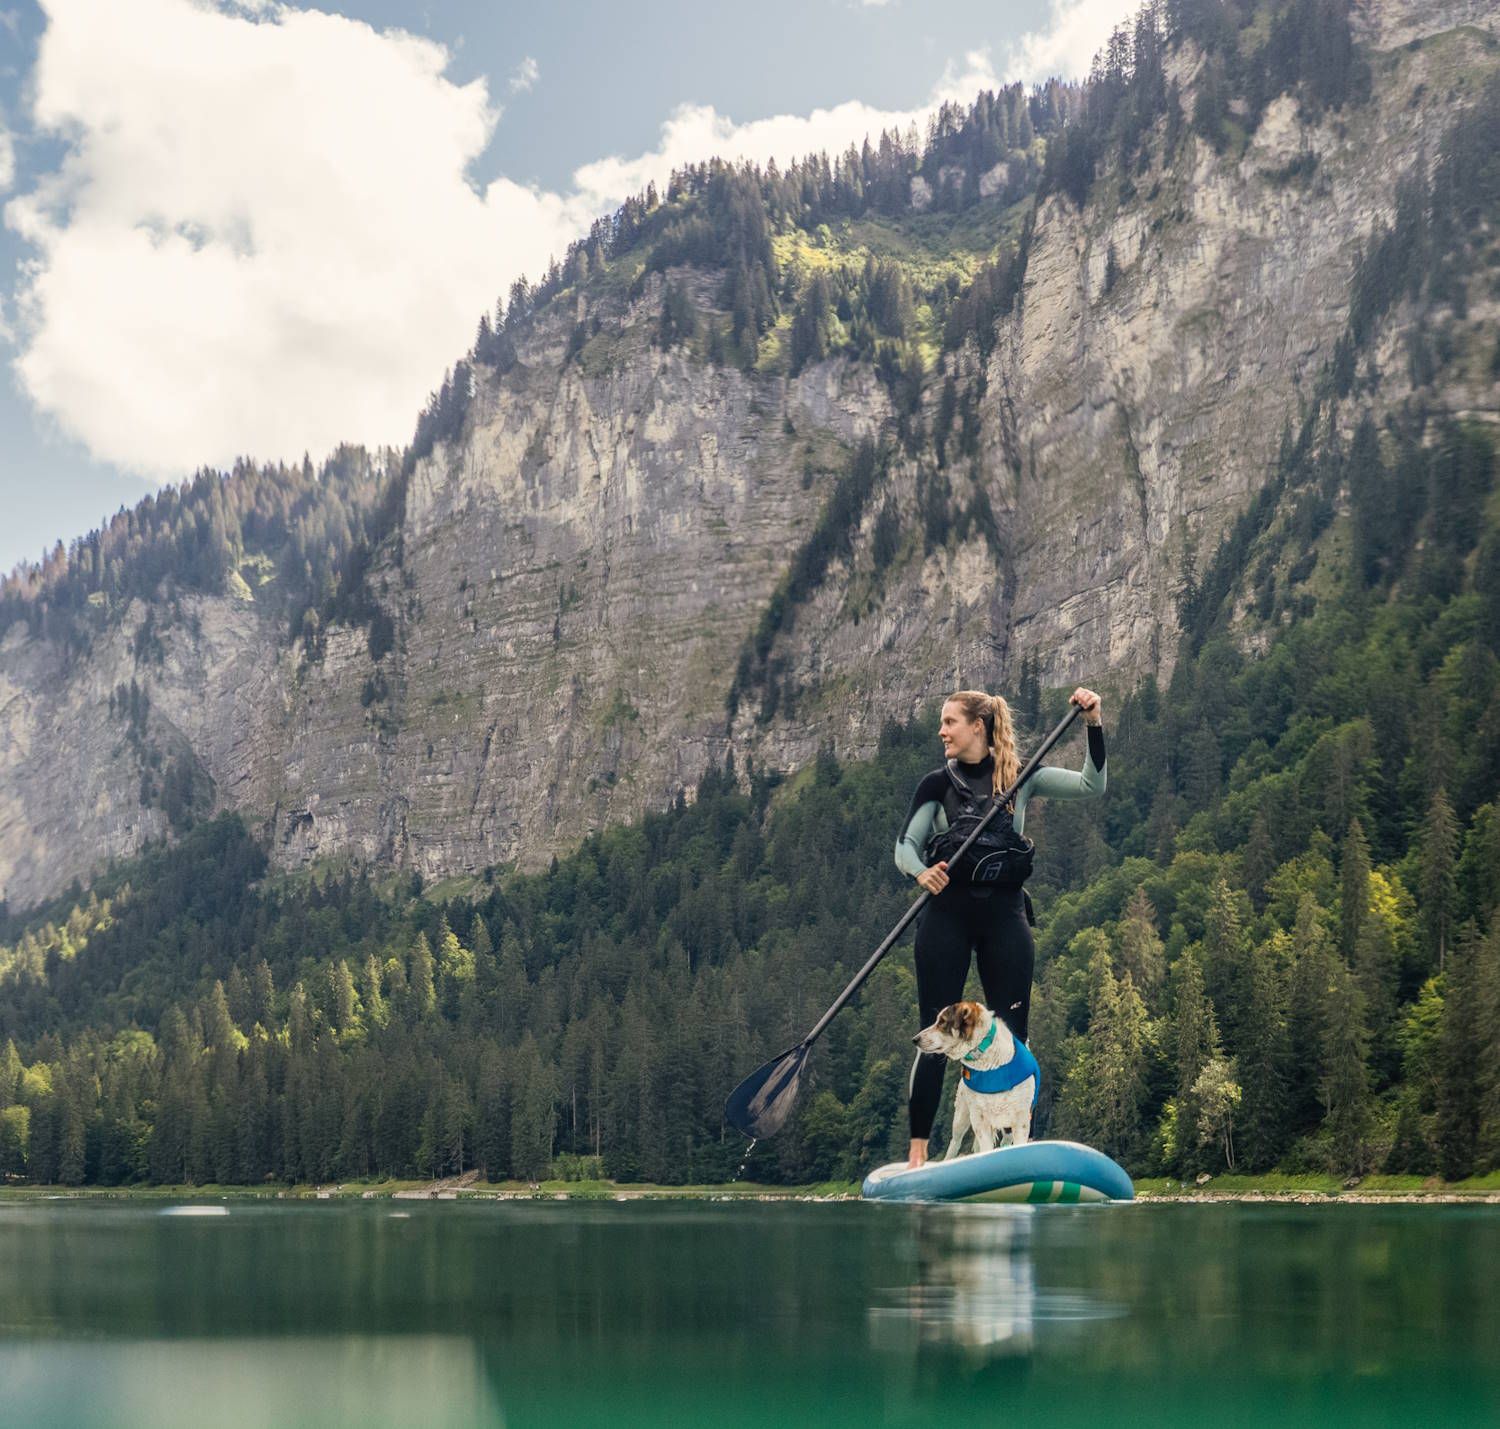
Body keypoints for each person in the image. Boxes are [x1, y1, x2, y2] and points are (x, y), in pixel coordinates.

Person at [894, 686, 1106, 1168]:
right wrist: (919, 871)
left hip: (1005, 920)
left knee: (1016, 1040)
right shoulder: (935, 784)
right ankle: (918, 1156)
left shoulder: (1020, 778)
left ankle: (1017, 1148)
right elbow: (904, 846)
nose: (941, 731)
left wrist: (1094, 723)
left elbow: (1093, 785)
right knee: (932, 1038)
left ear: (978, 727)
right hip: (944, 919)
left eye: (949, 722)